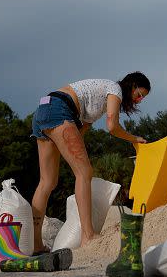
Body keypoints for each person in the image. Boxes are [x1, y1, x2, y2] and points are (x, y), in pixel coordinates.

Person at [30, 71, 150, 254]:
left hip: (44, 109)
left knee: (47, 182)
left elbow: (80, 132)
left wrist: (69, 153)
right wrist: (134, 138)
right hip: (59, 110)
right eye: (139, 95)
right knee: (84, 173)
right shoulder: (115, 90)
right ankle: (88, 235)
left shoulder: (96, 104)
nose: (138, 100)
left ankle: (36, 245)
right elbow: (112, 126)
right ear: (132, 85)